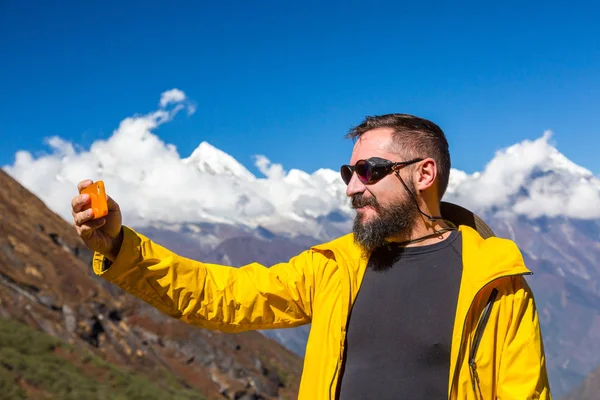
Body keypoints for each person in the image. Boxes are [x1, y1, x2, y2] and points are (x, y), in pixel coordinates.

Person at [71, 114, 552, 399]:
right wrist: (119, 248)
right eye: (349, 171)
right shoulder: (334, 266)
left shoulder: (497, 284)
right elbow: (224, 298)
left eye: (370, 171)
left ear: (424, 174)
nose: (351, 186)